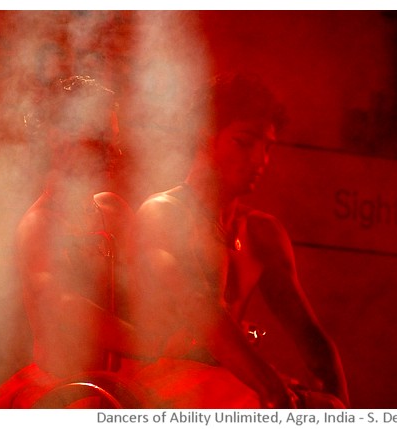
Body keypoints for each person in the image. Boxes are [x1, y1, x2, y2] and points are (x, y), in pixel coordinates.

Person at [129, 73, 349, 408]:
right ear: (205, 137)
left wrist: (342, 407)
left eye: (268, 148)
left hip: (232, 386)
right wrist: (273, 391)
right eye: (244, 143)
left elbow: (312, 339)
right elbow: (204, 317)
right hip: (165, 387)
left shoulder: (262, 233)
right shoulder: (162, 214)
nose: (260, 160)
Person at [0, 76, 155, 408]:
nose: (113, 153)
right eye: (100, 139)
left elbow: (150, 290)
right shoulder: (38, 226)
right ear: (59, 140)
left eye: (115, 140)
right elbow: (67, 309)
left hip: (120, 389)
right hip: (62, 394)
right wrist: (147, 342)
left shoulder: (115, 210)